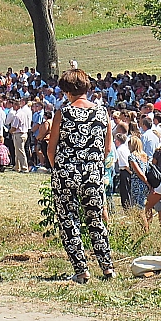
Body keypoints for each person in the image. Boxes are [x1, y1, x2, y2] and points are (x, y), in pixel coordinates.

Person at [45, 69, 114, 283]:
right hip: (92, 174)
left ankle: (81, 269)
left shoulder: (63, 113)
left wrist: (60, 168)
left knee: (68, 220)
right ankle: (107, 267)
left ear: (67, 91)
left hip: (66, 173)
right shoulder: (102, 113)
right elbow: (108, 148)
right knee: (96, 220)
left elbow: (51, 149)